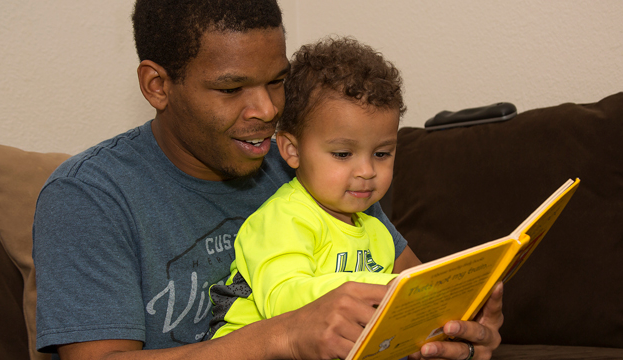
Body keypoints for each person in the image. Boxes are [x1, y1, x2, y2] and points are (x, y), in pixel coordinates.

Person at [32, 0, 503, 359]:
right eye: (232, 88)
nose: (268, 111)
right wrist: (285, 333)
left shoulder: (309, 160)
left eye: (277, 81)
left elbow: (409, 285)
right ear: (158, 85)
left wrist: (456, 324)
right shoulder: (89, 196)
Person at [208, 36, 403, 339]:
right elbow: (283, 300)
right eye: (342, 154)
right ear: (292, 150)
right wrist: (377, 289)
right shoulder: (283, 219)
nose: (366, 171)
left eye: (381, 154)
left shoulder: (376, 233)